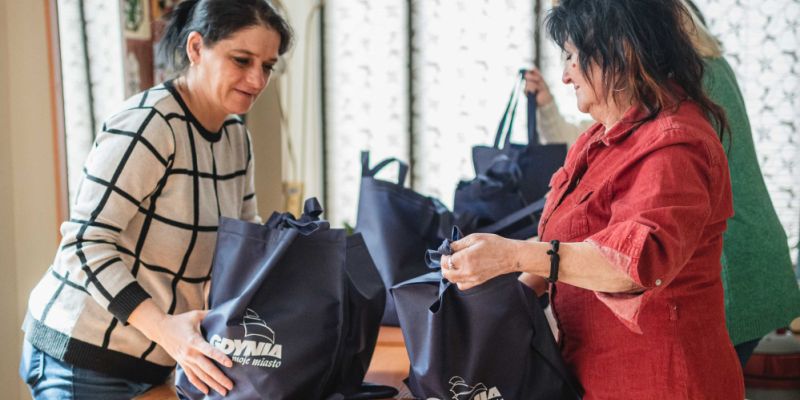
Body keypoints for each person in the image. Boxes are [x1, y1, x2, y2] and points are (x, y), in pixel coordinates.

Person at [441, 0, 744, 398]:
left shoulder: (675, 144)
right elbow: (571, 246)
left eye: (571, 57)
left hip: (662, 381)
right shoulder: (598, 138)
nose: (565, 76)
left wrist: (512, 255)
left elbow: (631, 263)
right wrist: (495, 287)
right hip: (595, 373)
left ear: (621, 50)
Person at [18, 1, 293, 398]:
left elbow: (242, 247)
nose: (256, 79)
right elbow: (83, 243)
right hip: (83, 356)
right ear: (196, 49)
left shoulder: (236, 138)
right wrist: (167, 331)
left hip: (160, 357)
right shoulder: (150, 124)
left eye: (267, 66)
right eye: (242, 60)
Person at [525, 0, 800, 369]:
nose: (569, 70)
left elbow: (650, 170)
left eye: (576, 53)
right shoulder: (668, 83)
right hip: (722, 262)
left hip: (732, 266)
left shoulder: (684, 99)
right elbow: (615, 143)